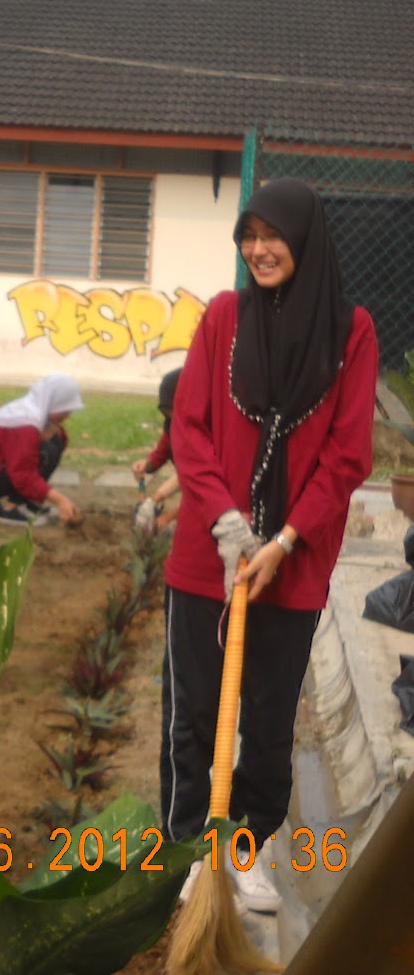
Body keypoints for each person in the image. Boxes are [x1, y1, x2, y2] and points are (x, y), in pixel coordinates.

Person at [159, 178, 377, 914]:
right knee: (193, 712)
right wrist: (227, 525)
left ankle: (247, 850)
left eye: (271, 234)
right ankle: (193, 850)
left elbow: (347, 456)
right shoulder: (223, 318)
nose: (258, 249)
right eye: (247, 236)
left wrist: (282, 541)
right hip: (206, 558)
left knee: (269, 714)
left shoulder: (351, 332)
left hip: (295, 563)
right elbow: (188, 427)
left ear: (306, 239)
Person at [0, 373, 84, 526]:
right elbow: (22, 474)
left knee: (53, 443)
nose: (67, 415)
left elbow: (58, 444)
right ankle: (14, 508)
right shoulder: (25, 421)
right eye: (64, 410)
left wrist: (57, 432)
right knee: (45, 452)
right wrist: (61, 500)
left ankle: (24, 502)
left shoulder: (34, 412)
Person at [132, 368, 183, 534]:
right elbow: (165, 448)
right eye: (167, 412)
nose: (171, 416)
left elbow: (200, 495)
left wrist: (166, 518)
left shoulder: (209, 433)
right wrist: (148, 465)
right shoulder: (173, 424)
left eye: (173, 410)